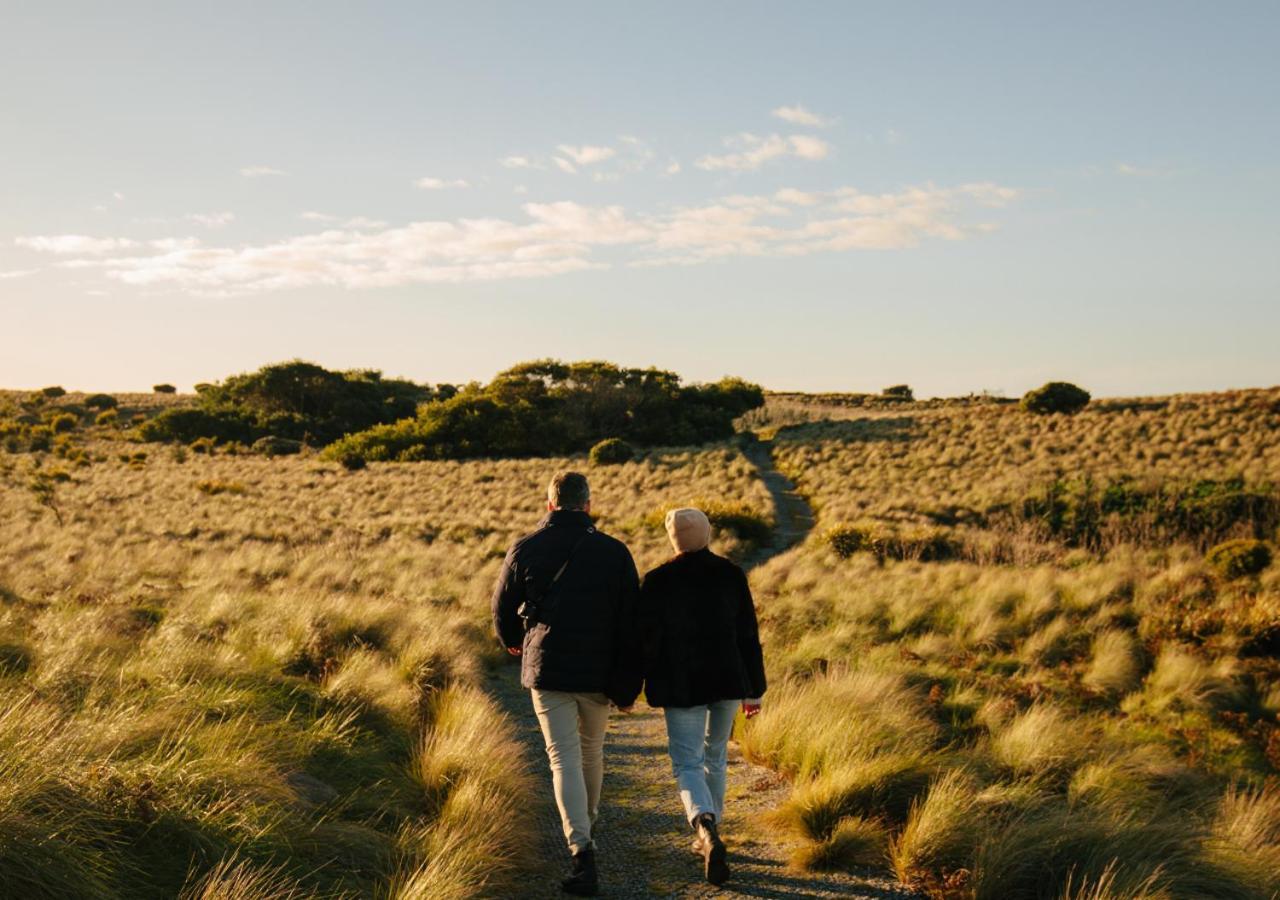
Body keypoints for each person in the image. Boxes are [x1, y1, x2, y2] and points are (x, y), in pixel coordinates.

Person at [491, 471, 640, 897]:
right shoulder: (614, 552)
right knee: (591, 750)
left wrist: (514, 643)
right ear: (588, 504)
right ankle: (585, 825)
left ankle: (581, 850)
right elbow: (632, 620)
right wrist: (629, 681)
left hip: (548, 667)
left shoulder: (526, 547)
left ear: (550, 503)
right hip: (600, 669)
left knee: (562, 758)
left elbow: (501, 606)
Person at [636, 507, 767, 887]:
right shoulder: (730, 574)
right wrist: (753, 689)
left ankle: (704, 826)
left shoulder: (658, 581)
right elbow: (748, 635)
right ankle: (711, 831)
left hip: (682, 686)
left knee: (687, 762)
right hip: (728, 680)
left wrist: (630, 687)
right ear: (707, 534)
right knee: (716, 755)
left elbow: (645, 643)